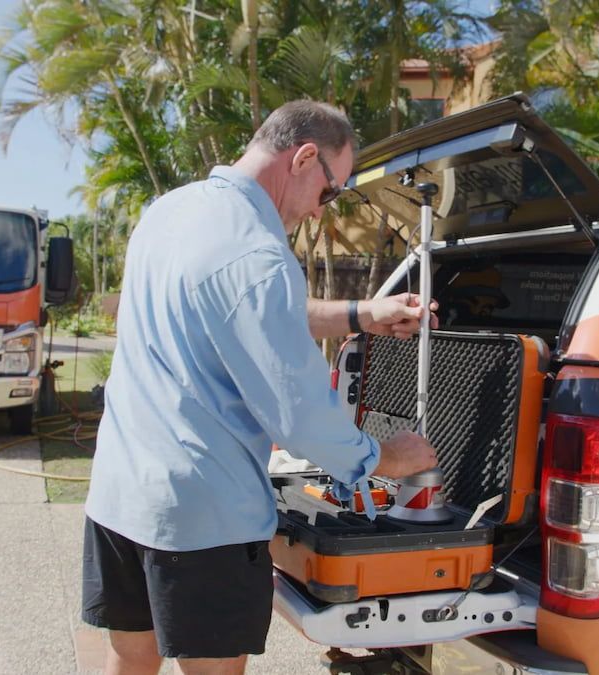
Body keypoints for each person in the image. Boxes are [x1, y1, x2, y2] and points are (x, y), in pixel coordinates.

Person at [82, 100, 440, 675]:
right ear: (303, 157)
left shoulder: (170, 212)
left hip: (120, 493)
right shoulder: (258, 252)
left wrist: (362, 313)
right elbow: (298, 415)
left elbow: (251, 317)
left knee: (128, 656)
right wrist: (384, 459)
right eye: (331, 193)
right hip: (202, 516)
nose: (323, 213)